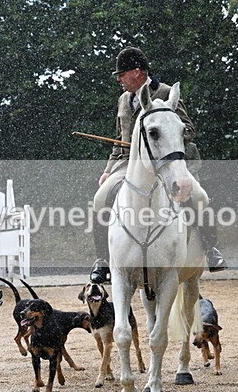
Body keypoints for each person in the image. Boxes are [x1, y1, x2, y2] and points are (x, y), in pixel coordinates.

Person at [89, 46, 227, 284]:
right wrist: (107, 170)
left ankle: (211, 249)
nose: (119, 79)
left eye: (121, 74)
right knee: (101, 198)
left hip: (168, 162)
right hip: (128, 164)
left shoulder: (164, 92)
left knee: (200, 196)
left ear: (137, 72)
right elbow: (119, 139)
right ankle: (102, 260)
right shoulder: (123, 100)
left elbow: (188, 129)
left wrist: (160, 142)